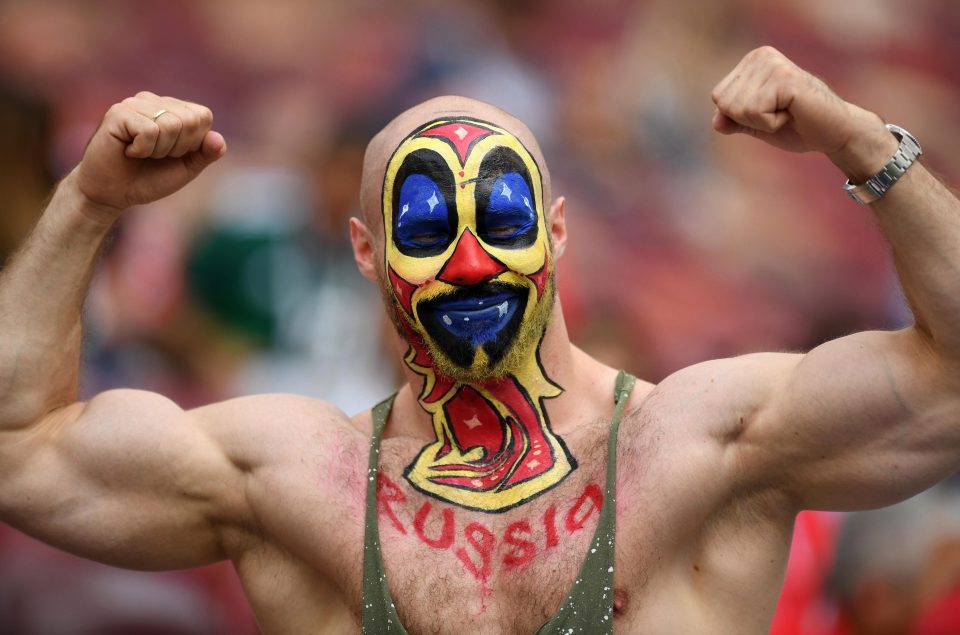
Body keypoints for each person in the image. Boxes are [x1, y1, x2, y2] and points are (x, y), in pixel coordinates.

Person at [0, 45, 957, 634]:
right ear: (367, 253)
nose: (469, 264)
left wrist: (864, 143)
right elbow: (18, 447)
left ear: (559, 228)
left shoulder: (704, 444)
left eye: (501, 217)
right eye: (425, 229)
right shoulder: (293, 480)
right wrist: (86, 204)